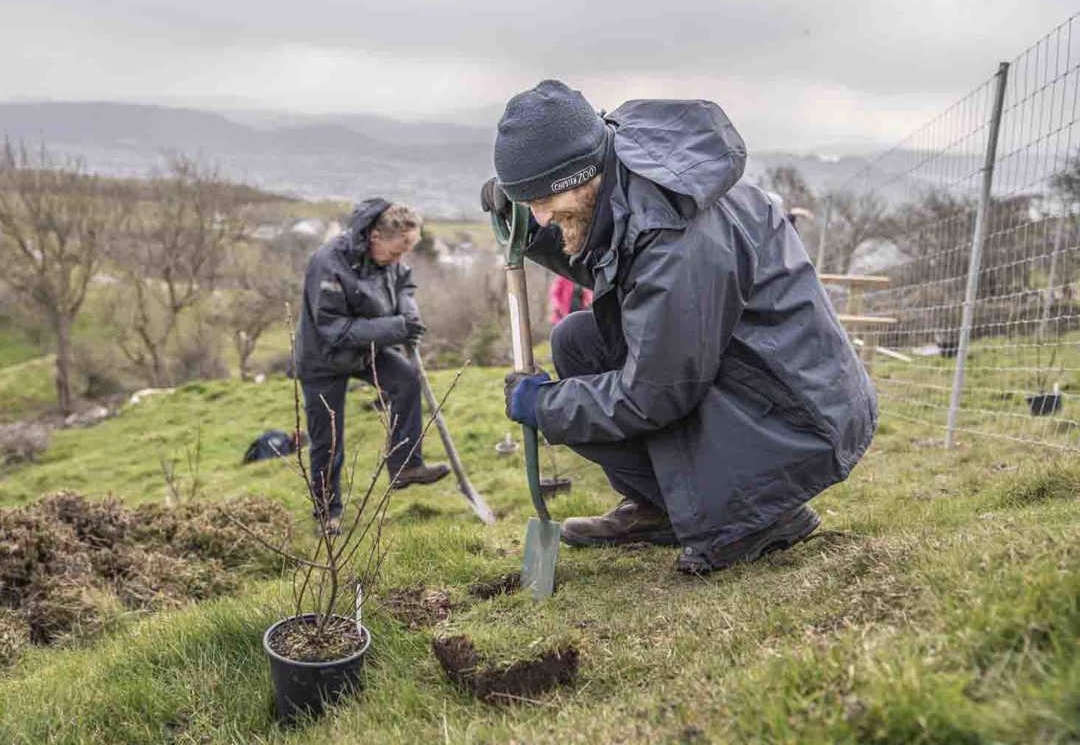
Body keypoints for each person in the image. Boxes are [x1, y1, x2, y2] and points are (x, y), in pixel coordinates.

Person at [483, 80, 877, 573]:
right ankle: (663, 508)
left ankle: (756, 518)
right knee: (577, 342)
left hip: (793, 412)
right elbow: (617, 259)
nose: (539, 215)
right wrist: (536, 236)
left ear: (580, 174)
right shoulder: (622, 169)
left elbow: (655, 393)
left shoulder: (678, 236)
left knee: (595, 393)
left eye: (542, 200)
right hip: (754, 374)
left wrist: (544, 405)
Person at [294, 198, 451, 534]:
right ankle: (327, 513)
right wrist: (397, 328)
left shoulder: (387, 259)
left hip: (367, 348)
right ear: (375, 237)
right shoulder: (329, 264)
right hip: (324, 358)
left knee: (406, 381)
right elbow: (333, 329)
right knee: (328, 437)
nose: (400, 258)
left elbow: (404, 282)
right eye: (397, 251)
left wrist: (408, 313)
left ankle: (405, 466)